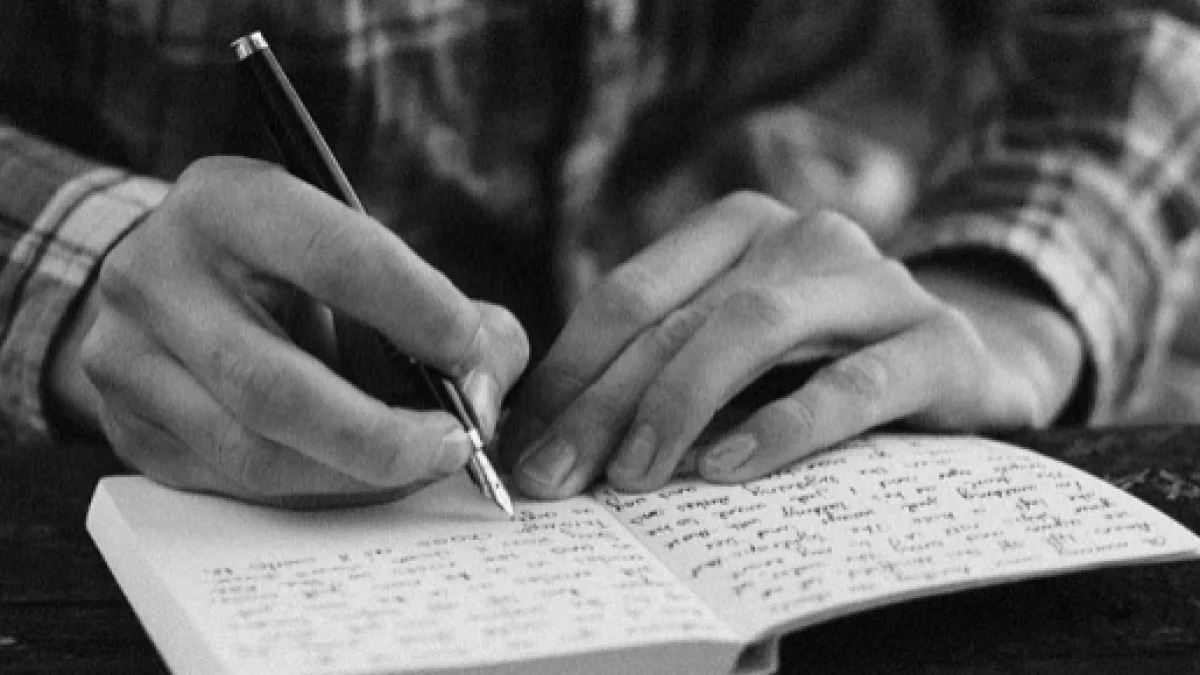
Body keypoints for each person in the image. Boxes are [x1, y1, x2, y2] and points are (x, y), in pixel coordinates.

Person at [0, 1, 1196, 507]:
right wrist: (82, 261)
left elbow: (1123, 35)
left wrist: (1008, 295)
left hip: (696, 379)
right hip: (112, 454)